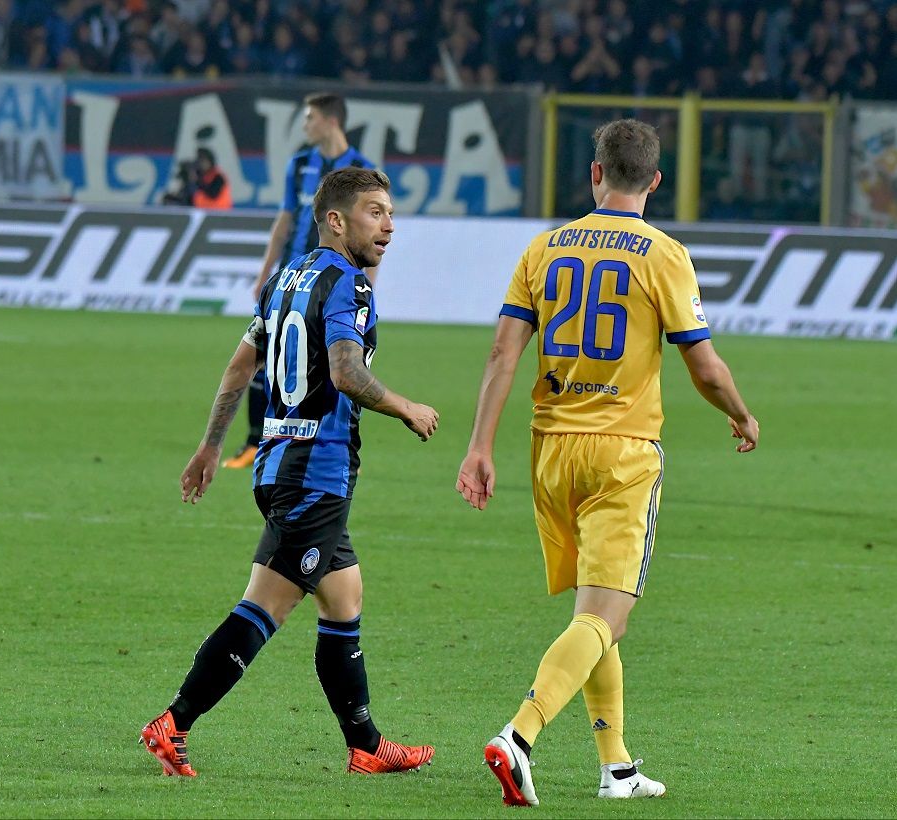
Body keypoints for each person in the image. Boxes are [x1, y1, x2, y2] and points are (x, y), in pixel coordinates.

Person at [455, 119, 760, 807]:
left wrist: (479, 446)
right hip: (622, 453)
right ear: (655, 180)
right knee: (606, 617)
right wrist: (739, 413)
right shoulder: (662, 254)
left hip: (550, 451)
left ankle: (616, 766)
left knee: (594, 612)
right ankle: (519, 736)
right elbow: (703, 366)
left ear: (594, 173)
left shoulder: (543, 247)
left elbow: (504, 353)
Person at [140, 167, 440, 777]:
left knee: (344, 596)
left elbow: (237, 368)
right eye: (375, 212)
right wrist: (406, 406)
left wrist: (208, 447)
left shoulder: (284, 278)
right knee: (265, 608)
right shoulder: (349, 284)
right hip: (316, 472)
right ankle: (173, 723)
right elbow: (346, 373)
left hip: (280, 463)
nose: (388, 225)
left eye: (389, 213)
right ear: (336, 220)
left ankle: (365, 746)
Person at [222, 92, 375, 469]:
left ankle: (325, 442)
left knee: (332, 364)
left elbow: (370, 232)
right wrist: (265, 274)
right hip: (294, 277)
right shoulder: (300, 163)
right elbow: (286, 219)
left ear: (331, 121)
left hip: (336, 280)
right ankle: (253, 442)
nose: (305, 125)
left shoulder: (361, 169)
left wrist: (366, 283)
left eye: (310, 118)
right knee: (270, 357)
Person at [162, 147, 231, 209]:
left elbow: (212, 194)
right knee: (169, 199)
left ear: (210, 162)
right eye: (199, 160)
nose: (201, 164)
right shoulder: (201, 175)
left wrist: (196, 181)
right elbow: (191, 198)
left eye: (203, 161)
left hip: (218, 214)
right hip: (202, 212)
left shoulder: (218, 177)